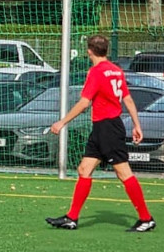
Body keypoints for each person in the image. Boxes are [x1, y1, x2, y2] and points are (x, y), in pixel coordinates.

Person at [47, 34, 155, 232]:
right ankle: (72, 218)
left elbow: (84, 102)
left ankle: (146, 218)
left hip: (108, 129)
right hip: (103, 128)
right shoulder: (116, 71)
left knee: (124, 173)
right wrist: (136, 124)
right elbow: (128, 99)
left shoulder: (96, 72)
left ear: (89, 51)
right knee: (84, 170)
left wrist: (62, 122)